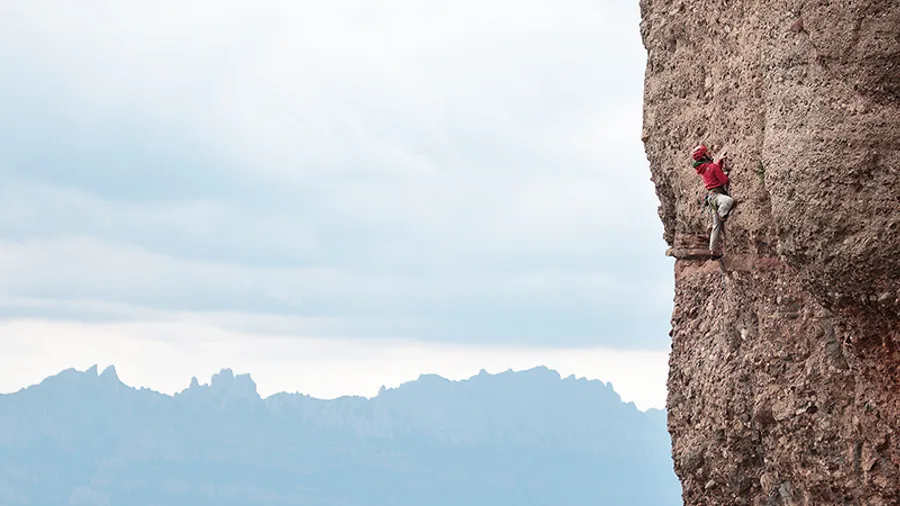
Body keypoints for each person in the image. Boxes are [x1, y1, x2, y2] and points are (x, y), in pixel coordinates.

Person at [691, 144, 734, 258]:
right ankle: (722, 213)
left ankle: (713, 251)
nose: (709, 153)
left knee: (716, 226)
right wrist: (725, 171)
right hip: (717, 196)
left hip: (711, 198)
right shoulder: (712, 167)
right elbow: (724, 180)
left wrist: (719, 163)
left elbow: (713, 172)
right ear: (704, 156)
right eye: (707, 152)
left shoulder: (703, 168)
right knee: (728, 201)